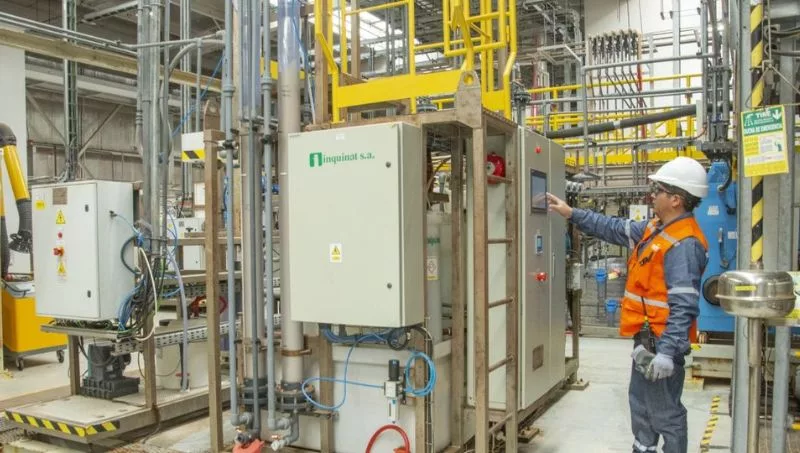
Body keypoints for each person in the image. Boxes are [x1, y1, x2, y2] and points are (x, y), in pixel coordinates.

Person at [547, 156, 710, 453]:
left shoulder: (684, 243)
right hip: (647, 339)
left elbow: (684, 306)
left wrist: (667, 354)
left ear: (675, 199)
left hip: (663, 343)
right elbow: (612, 227)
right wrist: (571, 213)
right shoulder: (656, 228)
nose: (652, 195)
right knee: (642, 406)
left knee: (666, 413)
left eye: (658, 190)